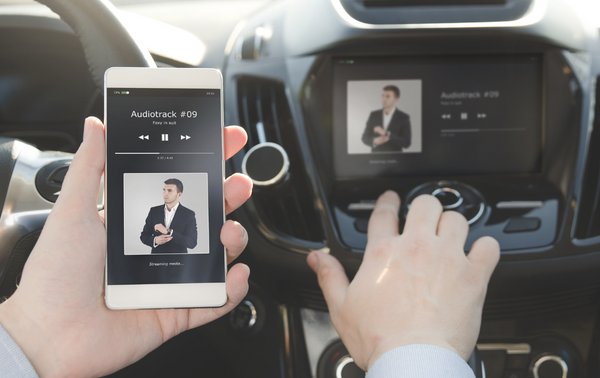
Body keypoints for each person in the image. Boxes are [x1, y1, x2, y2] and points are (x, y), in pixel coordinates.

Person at [0, 117, 499, 377]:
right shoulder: (153, 212)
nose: (170, 195)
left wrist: (35, 340)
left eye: (174, 189)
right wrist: (418, 352)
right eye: (169, 190)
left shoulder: (191, 214)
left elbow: (192, 238)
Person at [140, 178, 198, 254]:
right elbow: (144, 236)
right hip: (156, 260)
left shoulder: (188, 214)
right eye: (164, 190)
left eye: (169, 191)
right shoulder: (154, 211)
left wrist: (169, 232)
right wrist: (155, 240)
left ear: (179, 194)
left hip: (179, 261)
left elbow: (192, 242)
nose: (165, 193)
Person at [361, 85, 412, 152]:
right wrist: (374, 141)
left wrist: (387, 134)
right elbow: (364, 137)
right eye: (383, 96)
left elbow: (406, 143)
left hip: (395, 159)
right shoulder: (373, 115)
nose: (384, 99)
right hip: (376, 159)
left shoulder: (404, 117)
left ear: (396, 99)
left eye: (387, 96)